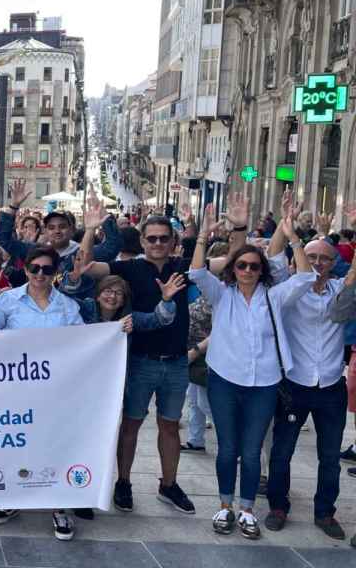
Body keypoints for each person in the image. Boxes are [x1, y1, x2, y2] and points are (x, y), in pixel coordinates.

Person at [79, 193, 252, 517]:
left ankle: (169, 484)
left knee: (170, 426)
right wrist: (90, 230)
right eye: (152, 238)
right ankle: (124, 482)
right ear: (143, 241)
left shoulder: (184, 268)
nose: (158, 243)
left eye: (163, 238)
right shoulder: (128, 268)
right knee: (130, 425)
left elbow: (232, 260)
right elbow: (86, 267)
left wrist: (239, 227)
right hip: (139, 361)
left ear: (173, 241)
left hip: (175, 362)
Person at [189, 206, 314, 539]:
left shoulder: (274, 297)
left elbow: (305, 278)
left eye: (253, 266)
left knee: (252, 448)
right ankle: (225, 505)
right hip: (225, 380)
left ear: (262, 271)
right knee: (228, 447)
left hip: (264, 383)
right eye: (241, 265)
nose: (247, 270)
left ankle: (246, 509)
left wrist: (294, 239)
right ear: (233, 269)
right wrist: (204, 235)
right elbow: (198, 273)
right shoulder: (222, 295)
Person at [0, 246, 85, 540]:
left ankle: (59, 507)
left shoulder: (68, 307)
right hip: (16, 391)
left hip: (56, 391)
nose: (40, 274)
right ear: (25, 269)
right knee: (16, 444)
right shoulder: (8, 300)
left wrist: (114, 333)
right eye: (34, 268)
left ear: (55, 272)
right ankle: (12, 498)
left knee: (55, 445)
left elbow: (85, 343)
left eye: (47, 269)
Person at [264, 201, 351, 541]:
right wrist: (286, 230)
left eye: (324, 258)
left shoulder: (339, 292)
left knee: (330, 457)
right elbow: (272, 257)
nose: (316, 263)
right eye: (311, 257)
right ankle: (277, 506)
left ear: (333, 264)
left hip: (330, 385)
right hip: (295, 384)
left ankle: (325, 512)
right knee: (282, 452)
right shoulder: (289, 292)